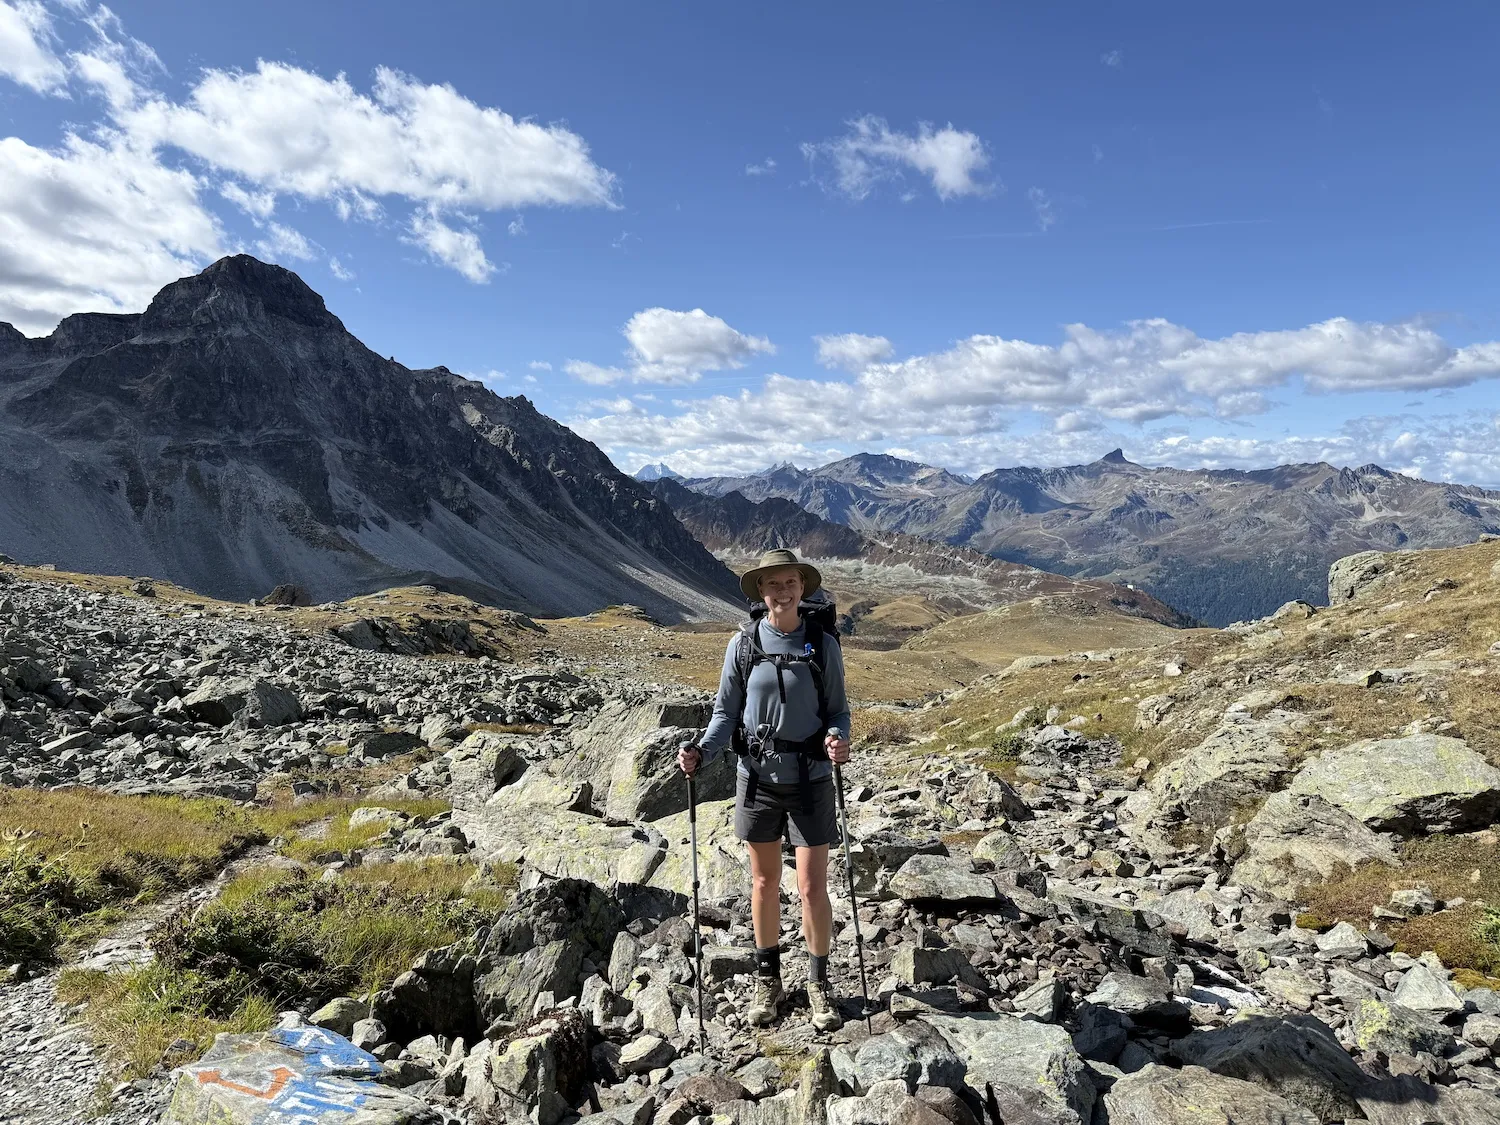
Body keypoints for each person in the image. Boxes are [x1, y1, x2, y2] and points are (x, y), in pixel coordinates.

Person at [678, 548, 852, 1031]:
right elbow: (724, 715)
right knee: (763, 883)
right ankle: (767, 977)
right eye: (772, 584)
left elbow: (838, 711)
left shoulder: (823, 645)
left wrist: (839, 740)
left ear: (803, 587)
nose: (782, 591)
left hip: (812, 779)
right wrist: (701, 752)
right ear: (760, 591)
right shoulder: (743, 645)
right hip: (756, 778)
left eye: (790, 582)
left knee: (813, 886)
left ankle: (818, 983)